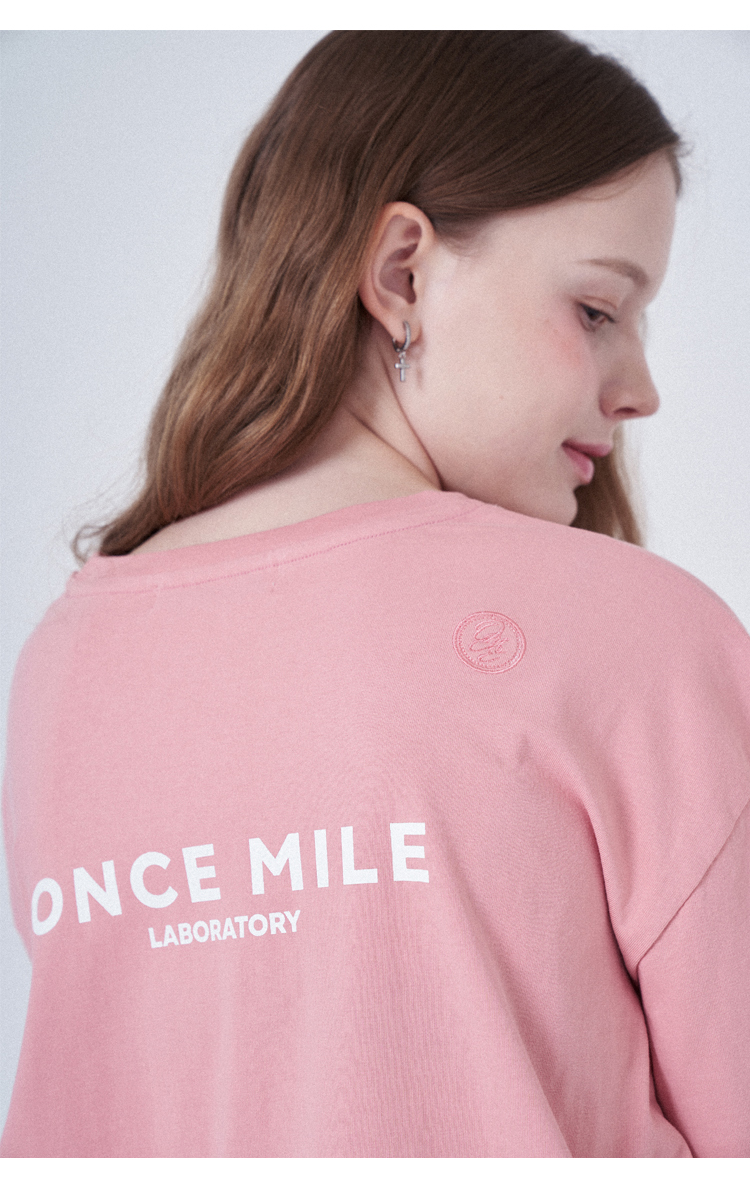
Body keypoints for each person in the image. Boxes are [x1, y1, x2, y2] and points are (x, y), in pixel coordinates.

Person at [2, 30, 748, 1158]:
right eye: (598, 310)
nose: (639, 389)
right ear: (402, 273)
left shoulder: (67, 659)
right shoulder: (638, 636)